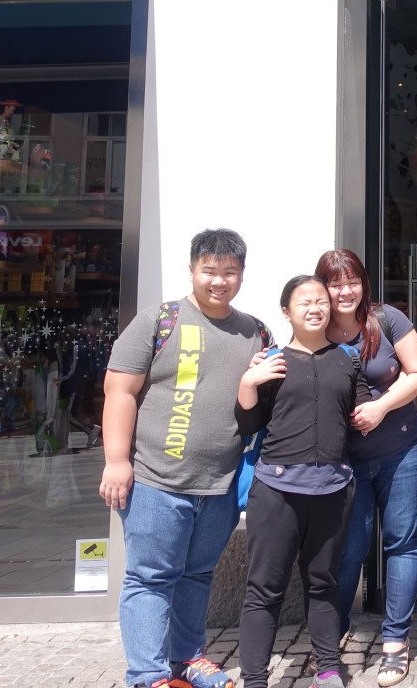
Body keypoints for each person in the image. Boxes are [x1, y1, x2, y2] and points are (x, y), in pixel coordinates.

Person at [100, 228, 266, 688]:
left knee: (197, 575)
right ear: (192, 270)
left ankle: (187, 658)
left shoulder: (255, 332)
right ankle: (148, 674)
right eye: (209, 270)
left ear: (242, 274)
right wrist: (117, 460)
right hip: (156, 480)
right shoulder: (160, 321)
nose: (219, 281)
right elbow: (119, 390)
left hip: (220, 484)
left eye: (229, 271)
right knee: (150, 578)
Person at [237, 274, 372, 688]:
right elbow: (249, 424)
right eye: (304, 303)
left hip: (332, 489)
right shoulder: (272, 361)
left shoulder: (348, 359)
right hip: (276, 492)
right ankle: (255, 680)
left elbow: (362, 410)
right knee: (265, 589)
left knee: (323, 583)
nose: (315, 309)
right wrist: (248, 383)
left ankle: (328, 670)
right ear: (286, 312)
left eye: (321, 301)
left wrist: (377, 408)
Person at [321, 248, 417, 688]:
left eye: (352, 281)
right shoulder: (315, 328)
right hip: (345, 461)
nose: (345, 291)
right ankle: (332, 636)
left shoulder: (386, 319)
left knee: (402, 543)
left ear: (364, 283)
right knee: (349, 549)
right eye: (335, 283)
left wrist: (381, 406)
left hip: (401, 451)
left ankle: (395, 641)